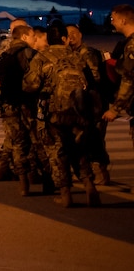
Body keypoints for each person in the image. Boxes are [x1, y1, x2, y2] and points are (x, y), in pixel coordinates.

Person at [23, 21, 100, 207]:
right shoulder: (77, 57)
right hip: (79, 111)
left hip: (54, 113)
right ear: (65, 39)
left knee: (58, 152)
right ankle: (90, 187)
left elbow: (31, 85)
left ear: (49, 39)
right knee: (80, 151)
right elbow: (93, 80)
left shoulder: (41, 58)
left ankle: (66, 195)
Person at [0, 24, 38, 195]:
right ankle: (32, 175)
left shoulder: (3, 54)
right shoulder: (30, 54)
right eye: (32, 36)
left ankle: (22, 182)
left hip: (8, 104)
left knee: (16, 142)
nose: (34, 39)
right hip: (27, 103)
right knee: (32, 140)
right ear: (24, 37)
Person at [67, 23, 112, 185]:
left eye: (74, 33)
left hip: (95, 104)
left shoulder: (88, 54)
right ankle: (94, 173)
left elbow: (95, 78)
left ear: (80, 34)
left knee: (96, 139)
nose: (71, 37)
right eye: (68, 34)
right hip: (83, 105)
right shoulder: (71, 54)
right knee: (85, 139)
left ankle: (101, 173)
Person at [102, 4, 134, 154]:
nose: (112, 22)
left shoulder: (131, 46)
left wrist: (115, 109)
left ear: (123, 21)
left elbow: (129, 80)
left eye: (113, 19)